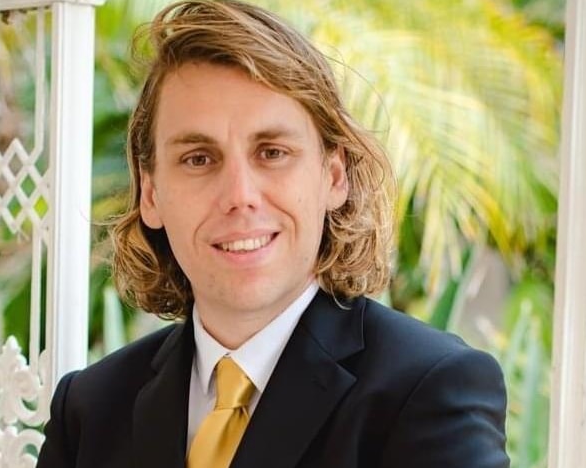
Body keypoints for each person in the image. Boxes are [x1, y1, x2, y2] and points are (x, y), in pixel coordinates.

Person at [36, 1, 509, 467]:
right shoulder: (89, 410)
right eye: (199, 159)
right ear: (151, 192)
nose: (240, 195)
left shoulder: (429, 391)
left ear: (334, 175)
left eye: (272, 152)